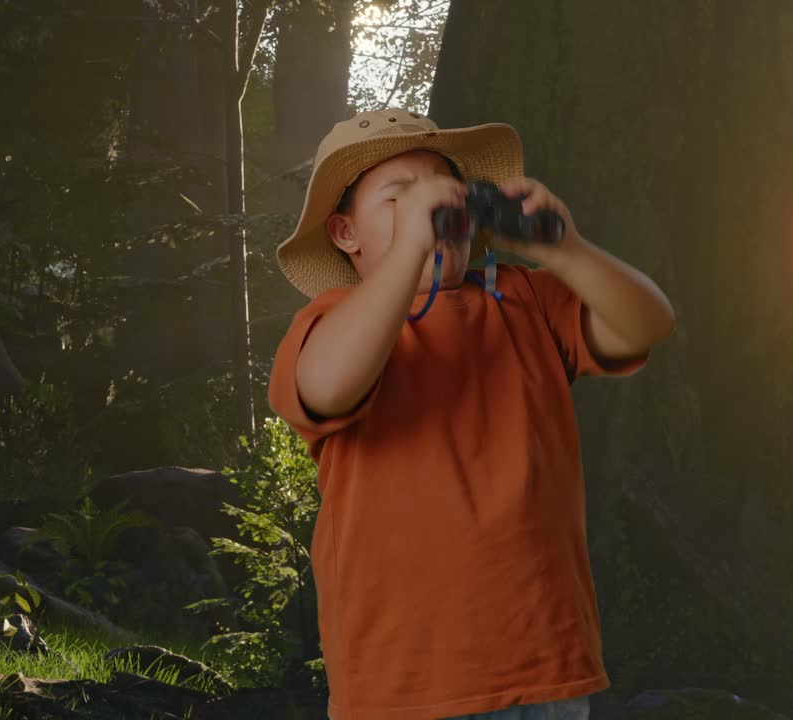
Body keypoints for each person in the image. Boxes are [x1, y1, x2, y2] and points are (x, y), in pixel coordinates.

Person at [268, 108, 675, 720]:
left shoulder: (527, 301)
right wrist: (410, 251)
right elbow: (327, 387)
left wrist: (567, 250)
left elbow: (648, 324)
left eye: (443, 198)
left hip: (545, 663)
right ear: (346, 233)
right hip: (404, 678)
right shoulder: (331, 323)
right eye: (399, 198)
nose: (428, 214)